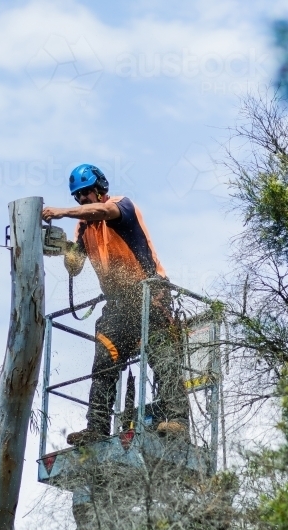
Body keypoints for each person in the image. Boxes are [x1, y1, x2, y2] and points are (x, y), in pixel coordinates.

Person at [41, 164, 188, 446]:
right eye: (78, 196)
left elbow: (102, 212)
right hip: (118, 303)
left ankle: (178, 419)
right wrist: (64, 250)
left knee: (162, 354)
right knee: (104, 360)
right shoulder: (84, 227)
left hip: (150, 294)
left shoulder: (120, 206)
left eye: (86, 193)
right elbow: (75, 267)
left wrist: (60, 211)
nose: (83, 199)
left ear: (100, 190)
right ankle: (96, 427)